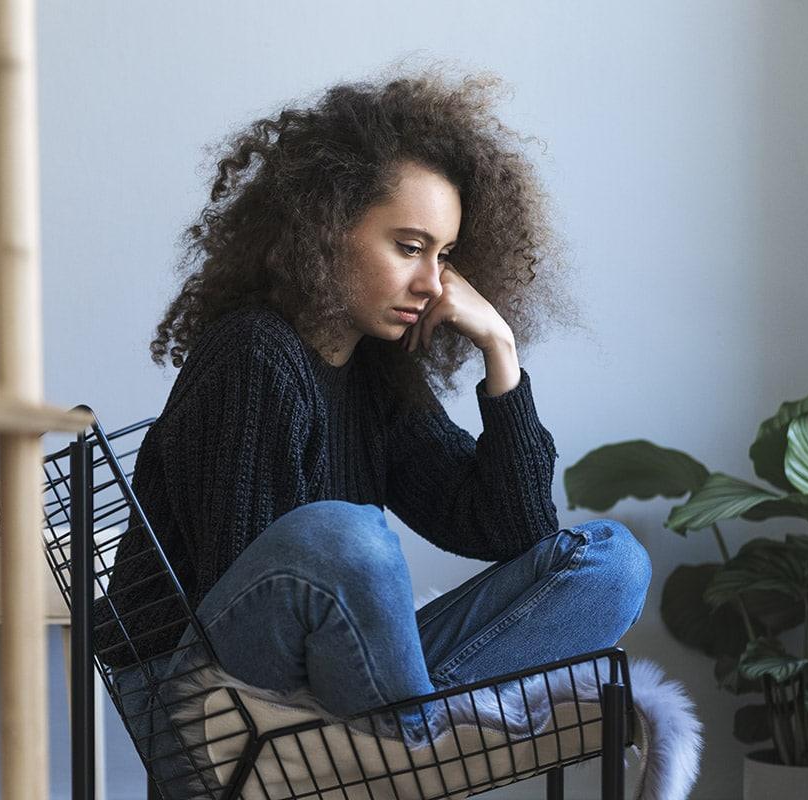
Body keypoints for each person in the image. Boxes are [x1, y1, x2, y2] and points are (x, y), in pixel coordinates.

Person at [100, 64, 652, 796]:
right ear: (326, 232)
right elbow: (251, 591)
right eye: (409, 246)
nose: (433, 283)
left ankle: (400, 747)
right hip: (205, 697)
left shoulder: (376, 379)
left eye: (446, 256)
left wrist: (501, 353)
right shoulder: (252, 353)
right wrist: (352, 573)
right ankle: (411, 751)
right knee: (346, 537)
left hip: (338, 709)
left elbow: (513, 530)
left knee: (612, 562)